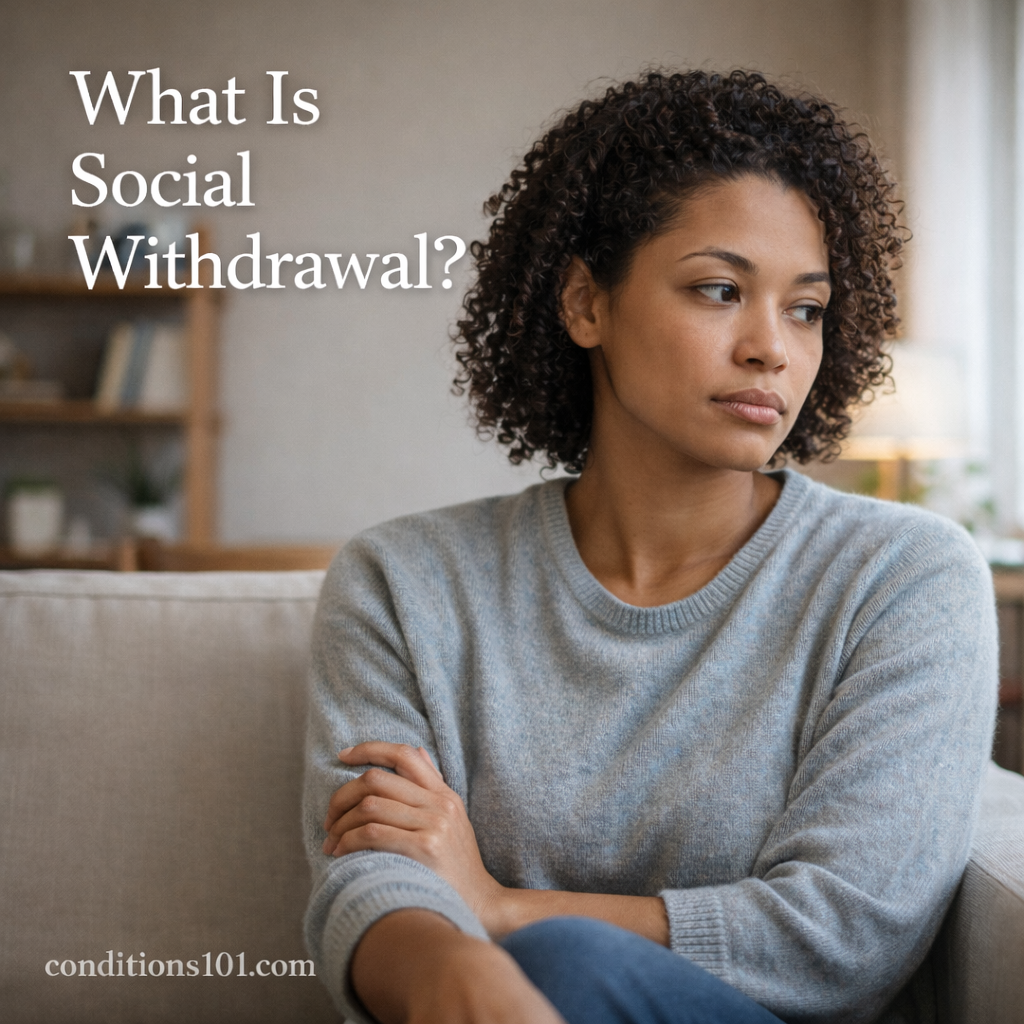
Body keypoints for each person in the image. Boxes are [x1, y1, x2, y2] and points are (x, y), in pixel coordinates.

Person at [302, 70, 997, 1024]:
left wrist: (504, 912)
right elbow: (373, 882)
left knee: (570, 965)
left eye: (807, 308)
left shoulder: (905, 578)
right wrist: (457, 978)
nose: (773, 349)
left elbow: (842, 936)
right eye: (720, 290)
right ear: (586, 305)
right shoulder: (403, 582)